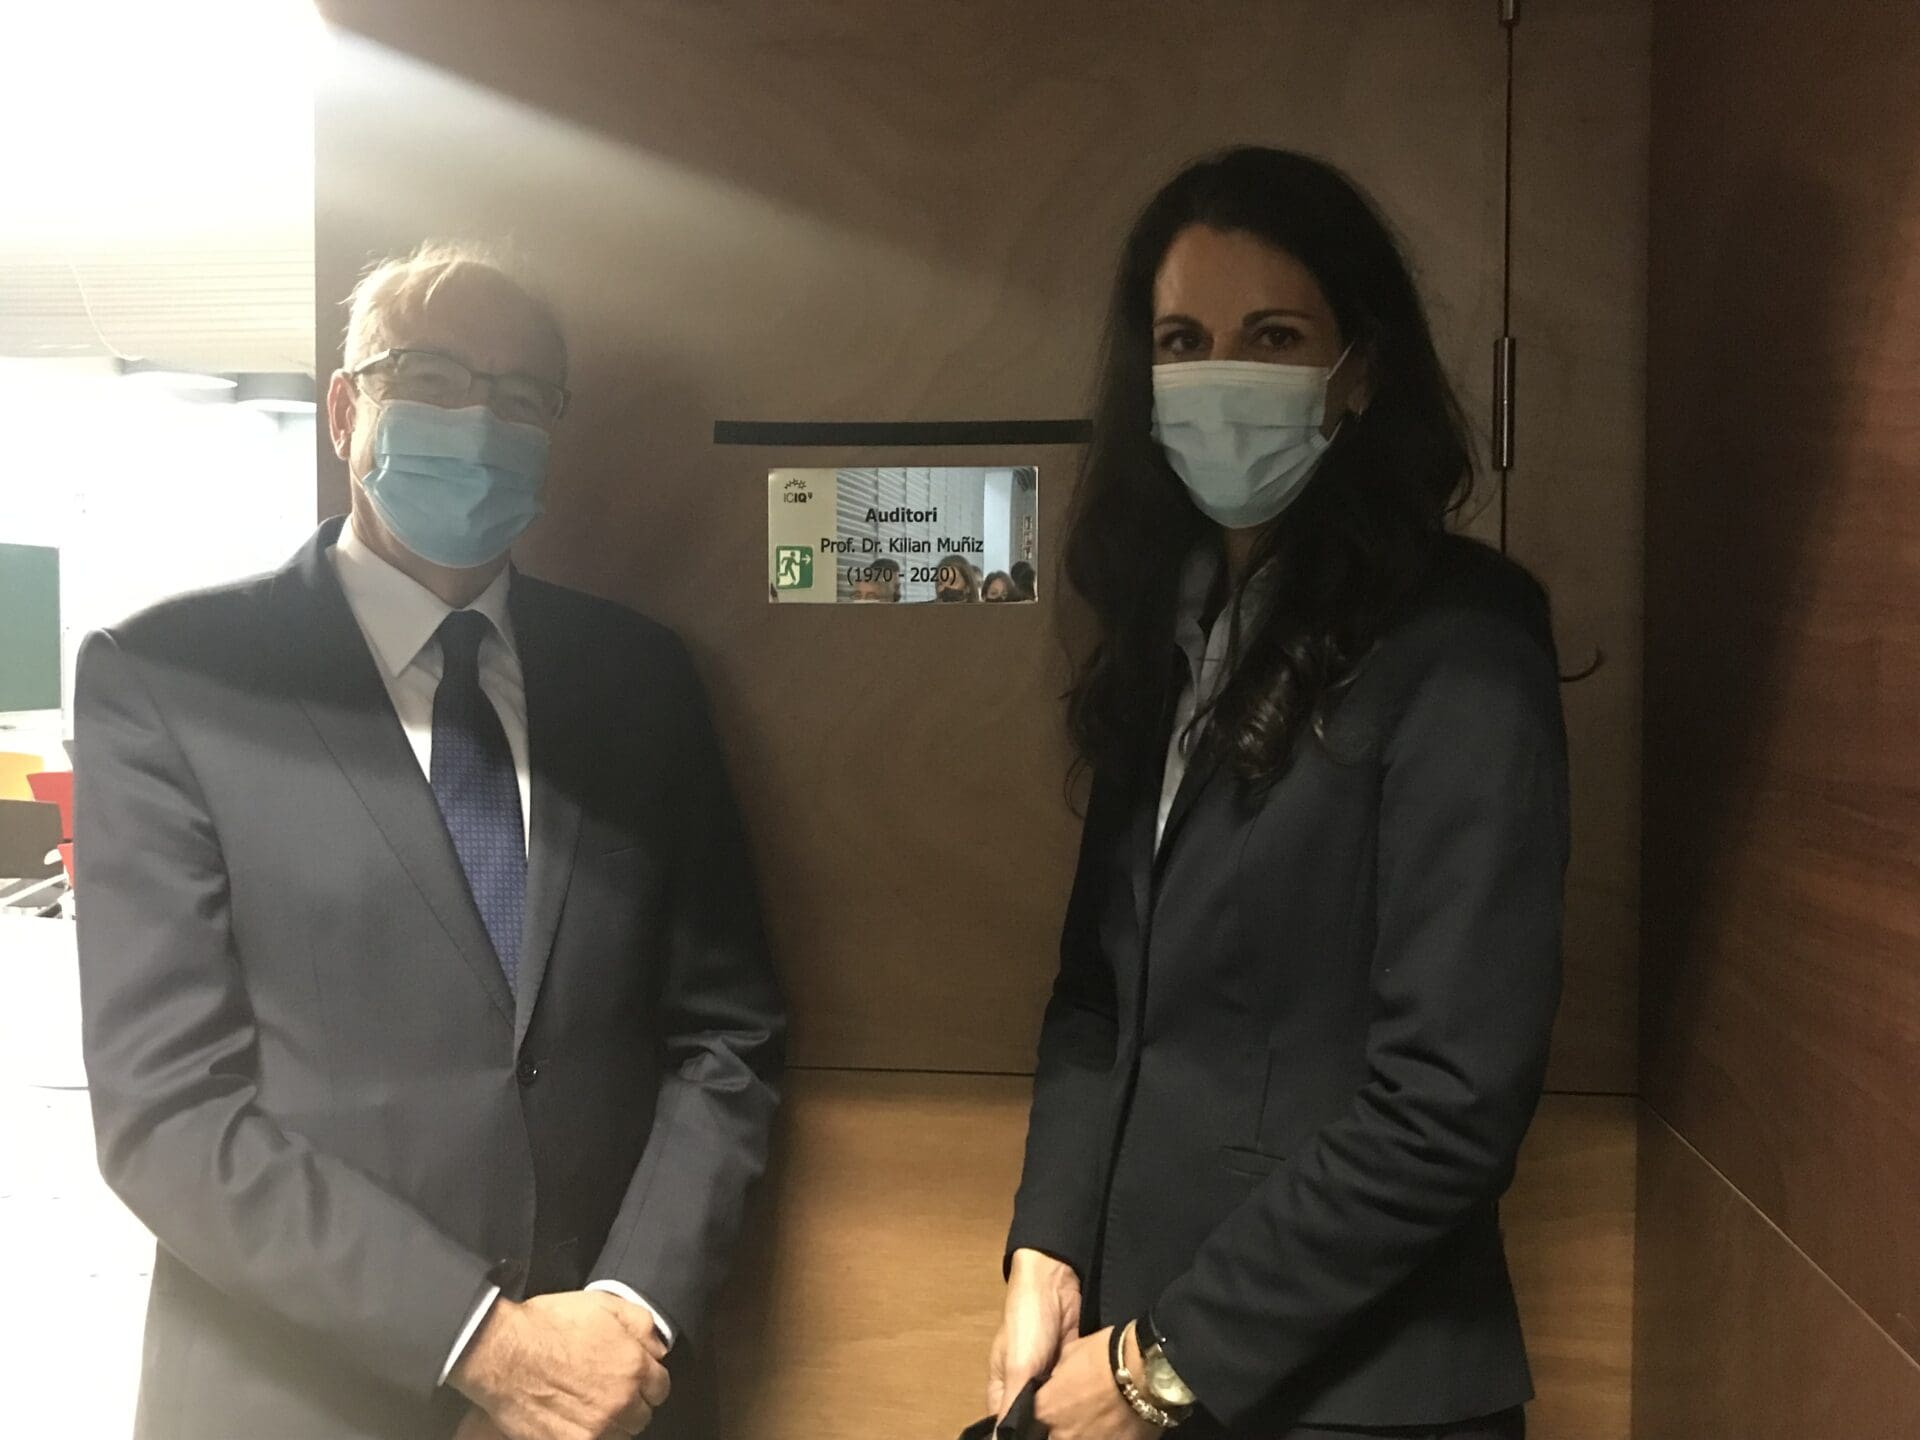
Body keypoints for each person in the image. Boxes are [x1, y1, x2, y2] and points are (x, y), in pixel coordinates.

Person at [74, 241, 786, 1440]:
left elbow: (728, 1035)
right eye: (437, 377)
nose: (480, 421)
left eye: (520, 398)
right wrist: (485, 1343)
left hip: (604, 1400)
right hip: (293, 1394)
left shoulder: (642, 681)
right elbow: (166, 1113)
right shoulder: (169, 680)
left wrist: (627, 1309)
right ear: (349, 410)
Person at [989, 149, 1567, 1440]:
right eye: (1183, 339)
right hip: (1121, 1343)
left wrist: (1160, 1366)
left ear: (1357, 369)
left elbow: (1448, 1104)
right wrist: (1048, 1247)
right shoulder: (1162, 625)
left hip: (1351, 1390)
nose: (1220, 374)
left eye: (1274, 335)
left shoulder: (1463, 641)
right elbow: (1098, 999)